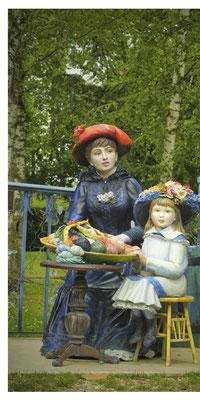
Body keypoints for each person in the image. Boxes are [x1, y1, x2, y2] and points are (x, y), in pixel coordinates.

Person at [41, 123, 146, 361]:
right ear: (90, 159)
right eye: (97, 153)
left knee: (118, 280)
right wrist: (82, 240)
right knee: (79, 279)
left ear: (117, 153)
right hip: (93, 251)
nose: (104, 157)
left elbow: (143, 224)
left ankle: (112, 343)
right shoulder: (85, 186)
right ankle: (77, 342)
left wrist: (123, 237)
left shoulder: (129, 183)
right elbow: (73, 222)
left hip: (121, 254)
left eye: (108, 151)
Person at [112, 181, 199, 349]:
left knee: (145, 284)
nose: (161, 215)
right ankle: (140, 324)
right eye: (157, 210)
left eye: (167, 211)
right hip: (152, 279)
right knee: (130, 281)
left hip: (173, 283)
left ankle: (150, 327)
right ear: (150, 214)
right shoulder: (150, 235)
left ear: (175, 216)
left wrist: (148, 262)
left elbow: (176, 270)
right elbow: (143, 268)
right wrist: (138, 260)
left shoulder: (177, 239)